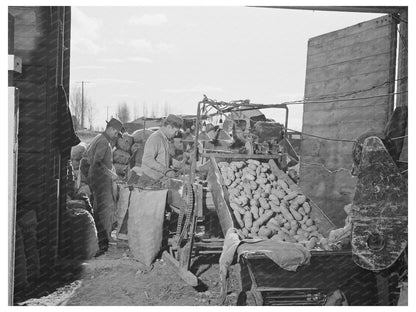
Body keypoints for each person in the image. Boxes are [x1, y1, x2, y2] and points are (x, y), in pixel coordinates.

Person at [86, 118, 125, 256]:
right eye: (116, 132)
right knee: (105, 209)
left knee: (100, 208)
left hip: (97, 179)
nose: (116, 136)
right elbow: (96, 162)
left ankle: (102, 239)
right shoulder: (103, 141)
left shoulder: (99, 138)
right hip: (101, 180)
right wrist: (111, 175)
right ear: (112, 129)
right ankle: (104, 241)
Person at [140, 114, 186, 187]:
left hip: (157, 181)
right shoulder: (156, 138)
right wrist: (166, 170)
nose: (176, 134)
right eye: (176, 131)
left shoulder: (165, 139)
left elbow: (165, 158)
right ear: (169, 127)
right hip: (149, 181)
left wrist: (180, 165)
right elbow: (147, 159)